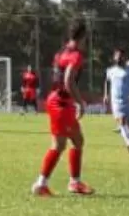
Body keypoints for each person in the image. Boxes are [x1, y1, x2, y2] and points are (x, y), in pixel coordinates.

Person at [32, 21, 93, 197]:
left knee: (77, 140)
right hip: (61, 103)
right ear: (83, 36)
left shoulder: (61, 52)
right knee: (59, 145)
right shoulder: (76, 56)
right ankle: (41, 183)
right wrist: (80, 102)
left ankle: (74, 182)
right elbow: (68, 80)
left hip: (55, 100)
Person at [104, 49, 129, 154]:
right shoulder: (110, 71)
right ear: (114, 58)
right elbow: (106, 81)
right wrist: (105, 94)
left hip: (128, 100)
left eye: (121, 56)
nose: (119, 58)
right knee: (122, 120)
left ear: (124, 58)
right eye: (117, 56)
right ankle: (128, 143)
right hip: (116, 101)